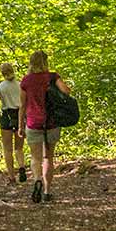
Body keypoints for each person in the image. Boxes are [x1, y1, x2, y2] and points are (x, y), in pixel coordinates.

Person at [20, 51, 72, 203]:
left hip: (33, 123)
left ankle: (37, 180)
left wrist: (20, 125)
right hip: (51, 122)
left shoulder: (26, 81)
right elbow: (66, 91)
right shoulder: (52, 77)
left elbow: (22, 105)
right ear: (45, 62)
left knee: (35, 157)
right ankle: (47, 191)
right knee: (48, 157)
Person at [0, 63, 27, 184]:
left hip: (6, 116)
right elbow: (25, 102)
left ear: (2, 73)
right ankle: (21, 166)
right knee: (19, 147)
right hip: (20, 115)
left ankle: (12, 177)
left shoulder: (0, 88)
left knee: (7, 149)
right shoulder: (21, 85)